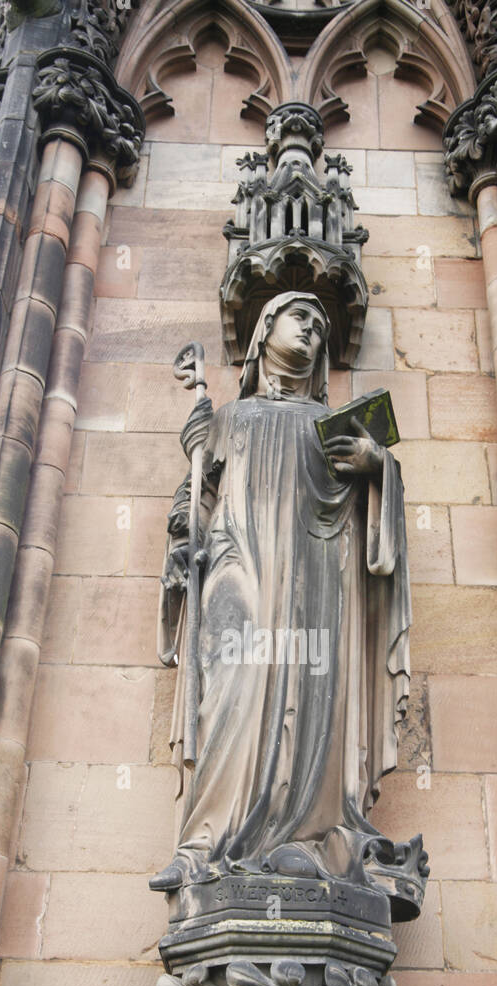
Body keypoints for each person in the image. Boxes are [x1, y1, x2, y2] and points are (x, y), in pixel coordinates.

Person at [150, 290, 426, 922]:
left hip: (316, 591)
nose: (312, 330)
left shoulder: (334, 429)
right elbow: (190, 515)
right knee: (232, 697)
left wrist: (376, 466)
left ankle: (308, 839)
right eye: (299, 317)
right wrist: (186, 520)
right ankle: (206, 846)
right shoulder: (230, 419)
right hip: (238, 572)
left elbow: (377, 544)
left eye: (321, 326)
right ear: (264, 330)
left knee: (315, 707)